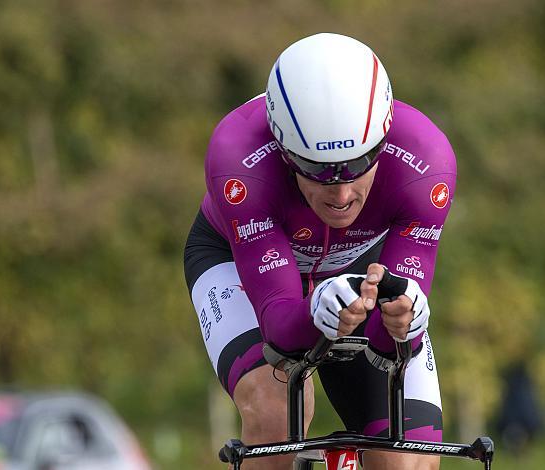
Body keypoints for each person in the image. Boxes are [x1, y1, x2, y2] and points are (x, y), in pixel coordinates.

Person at [184, 33, 456, 470]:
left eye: (362, 163)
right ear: (282, 147)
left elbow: (393, 344)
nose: (343, 195)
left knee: (408, 458)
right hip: (237, 262)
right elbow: (278, 322)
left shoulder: (426, 162)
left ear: (384, 138)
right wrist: (313, 313)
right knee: (278, 409)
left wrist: (407, 321)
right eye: (317, 171)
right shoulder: (238, 155)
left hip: (356, 268)